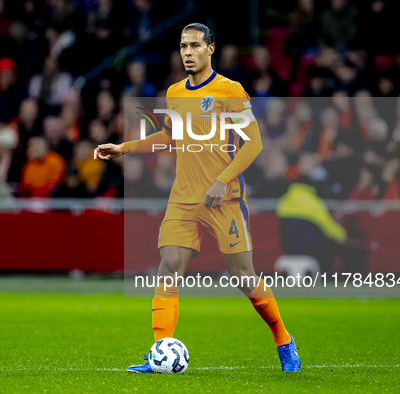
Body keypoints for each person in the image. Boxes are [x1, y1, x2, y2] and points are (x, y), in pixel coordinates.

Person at [94, 23, 300, 373]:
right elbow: (170, 137)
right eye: (182, 46)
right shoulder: (175, 92)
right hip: (184, 199)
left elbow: (254, 144)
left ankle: (283, 339)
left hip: (225, 199)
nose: (187, 52)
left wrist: (222, 181)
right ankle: (159, 350)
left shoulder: (229, 90)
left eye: (194, 46)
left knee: (244, 277)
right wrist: (124, 148)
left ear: (211, 49)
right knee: (169, 267)